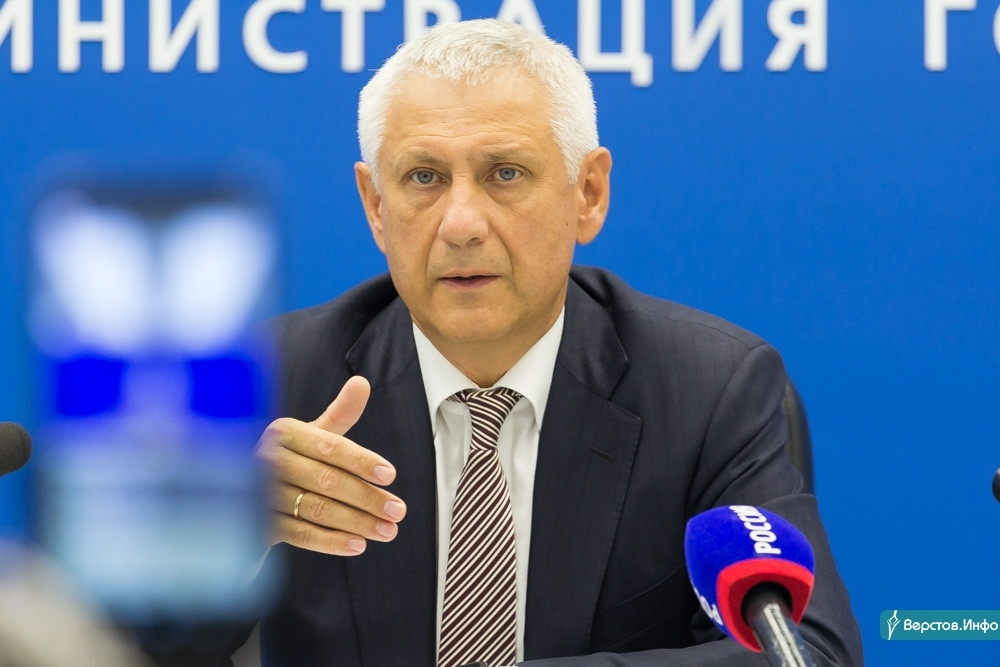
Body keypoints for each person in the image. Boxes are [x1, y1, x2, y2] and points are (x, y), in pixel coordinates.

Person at [253, 18, 863, 666]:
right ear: (376, 205)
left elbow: (809, 653)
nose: (461, 224)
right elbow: (176, 642)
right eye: (424, 178)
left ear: (588, 194)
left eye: (505, 173)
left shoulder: (709, 389)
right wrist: (222, 539)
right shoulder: (267, 382)